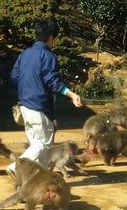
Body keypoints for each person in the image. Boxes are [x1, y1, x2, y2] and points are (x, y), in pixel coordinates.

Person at [7, 19, 83, 177]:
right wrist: (71, 94)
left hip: (24, 107)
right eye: (55, 38)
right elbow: (53, 81)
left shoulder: (25, 53)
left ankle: (34, 182)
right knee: (44, 146)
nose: (54, 41)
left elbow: (15, 76)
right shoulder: (48, 56)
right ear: (50, 37)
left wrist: (28, 85)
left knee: (37, 147)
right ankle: (16, 167)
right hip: (39, 107)